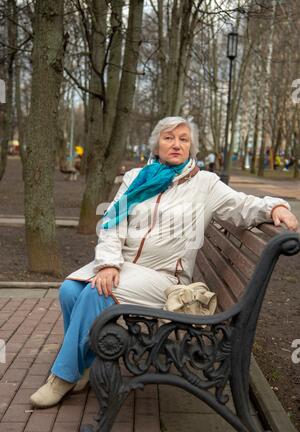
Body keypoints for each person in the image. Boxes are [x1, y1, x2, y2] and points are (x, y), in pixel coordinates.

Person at [30, 116, 299, 408]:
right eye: (169, 138)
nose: (177, 144)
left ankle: (63, 376)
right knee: (69, 290)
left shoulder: (205, 184)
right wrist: (108, 263)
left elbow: (243, 206)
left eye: (184, 139)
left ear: (191, 148)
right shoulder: (136, 178)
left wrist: (276, 206)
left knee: (98, 292)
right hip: (124, 267)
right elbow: (112, 222)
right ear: (156, 145)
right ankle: (83, 363)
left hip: (166, 279)